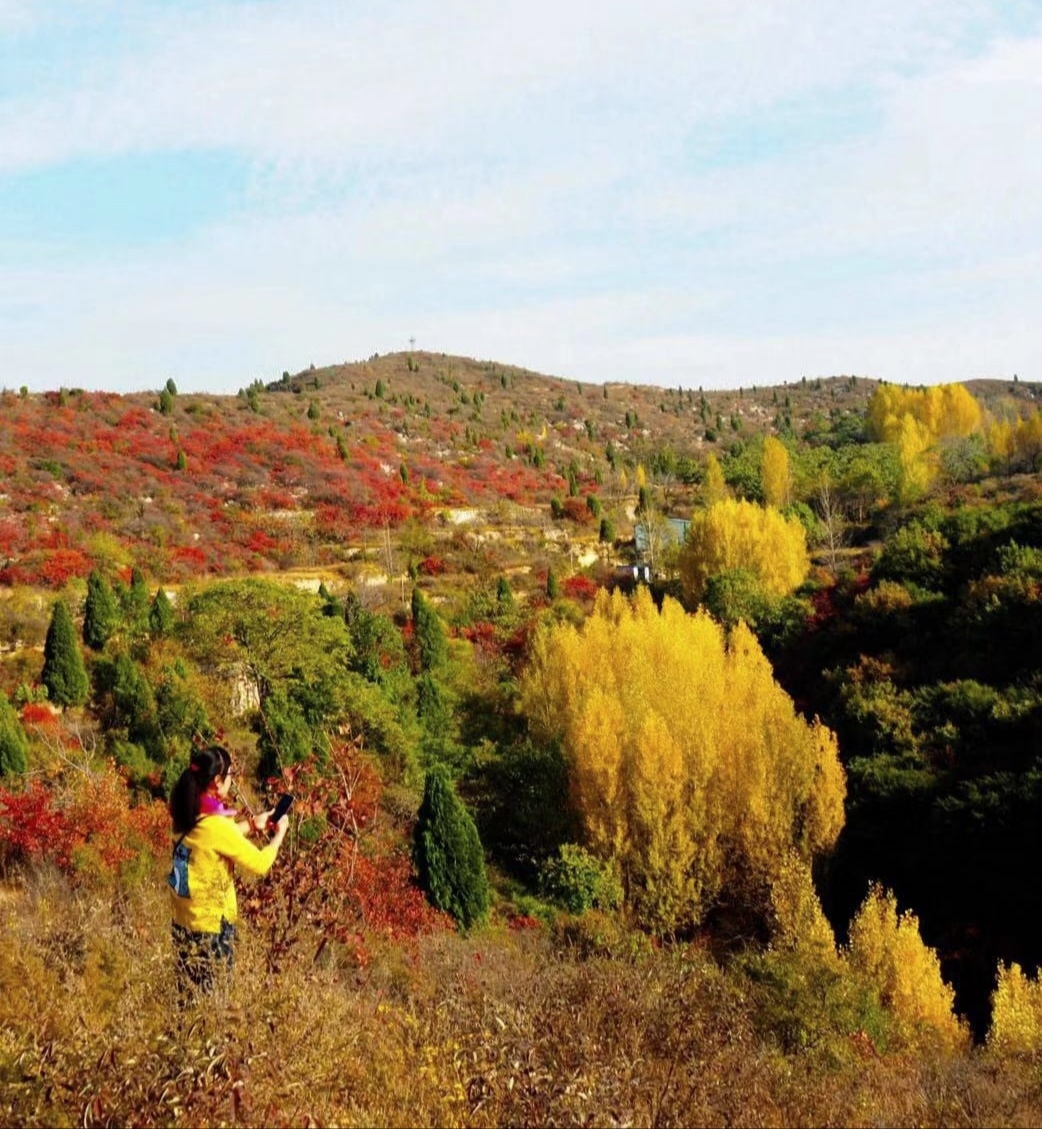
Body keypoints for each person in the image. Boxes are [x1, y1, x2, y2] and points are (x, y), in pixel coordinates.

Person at [167, 744, 288, 997]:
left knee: (186, 1000)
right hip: (210, 931)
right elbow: (260, 863)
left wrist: (253, 826)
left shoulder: (185, 813)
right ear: (217, 781)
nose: (233, 781)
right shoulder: (216, 825)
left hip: (183, 923)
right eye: (231, 775)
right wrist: (278, 837)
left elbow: (212, 838)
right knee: (215, 1004)